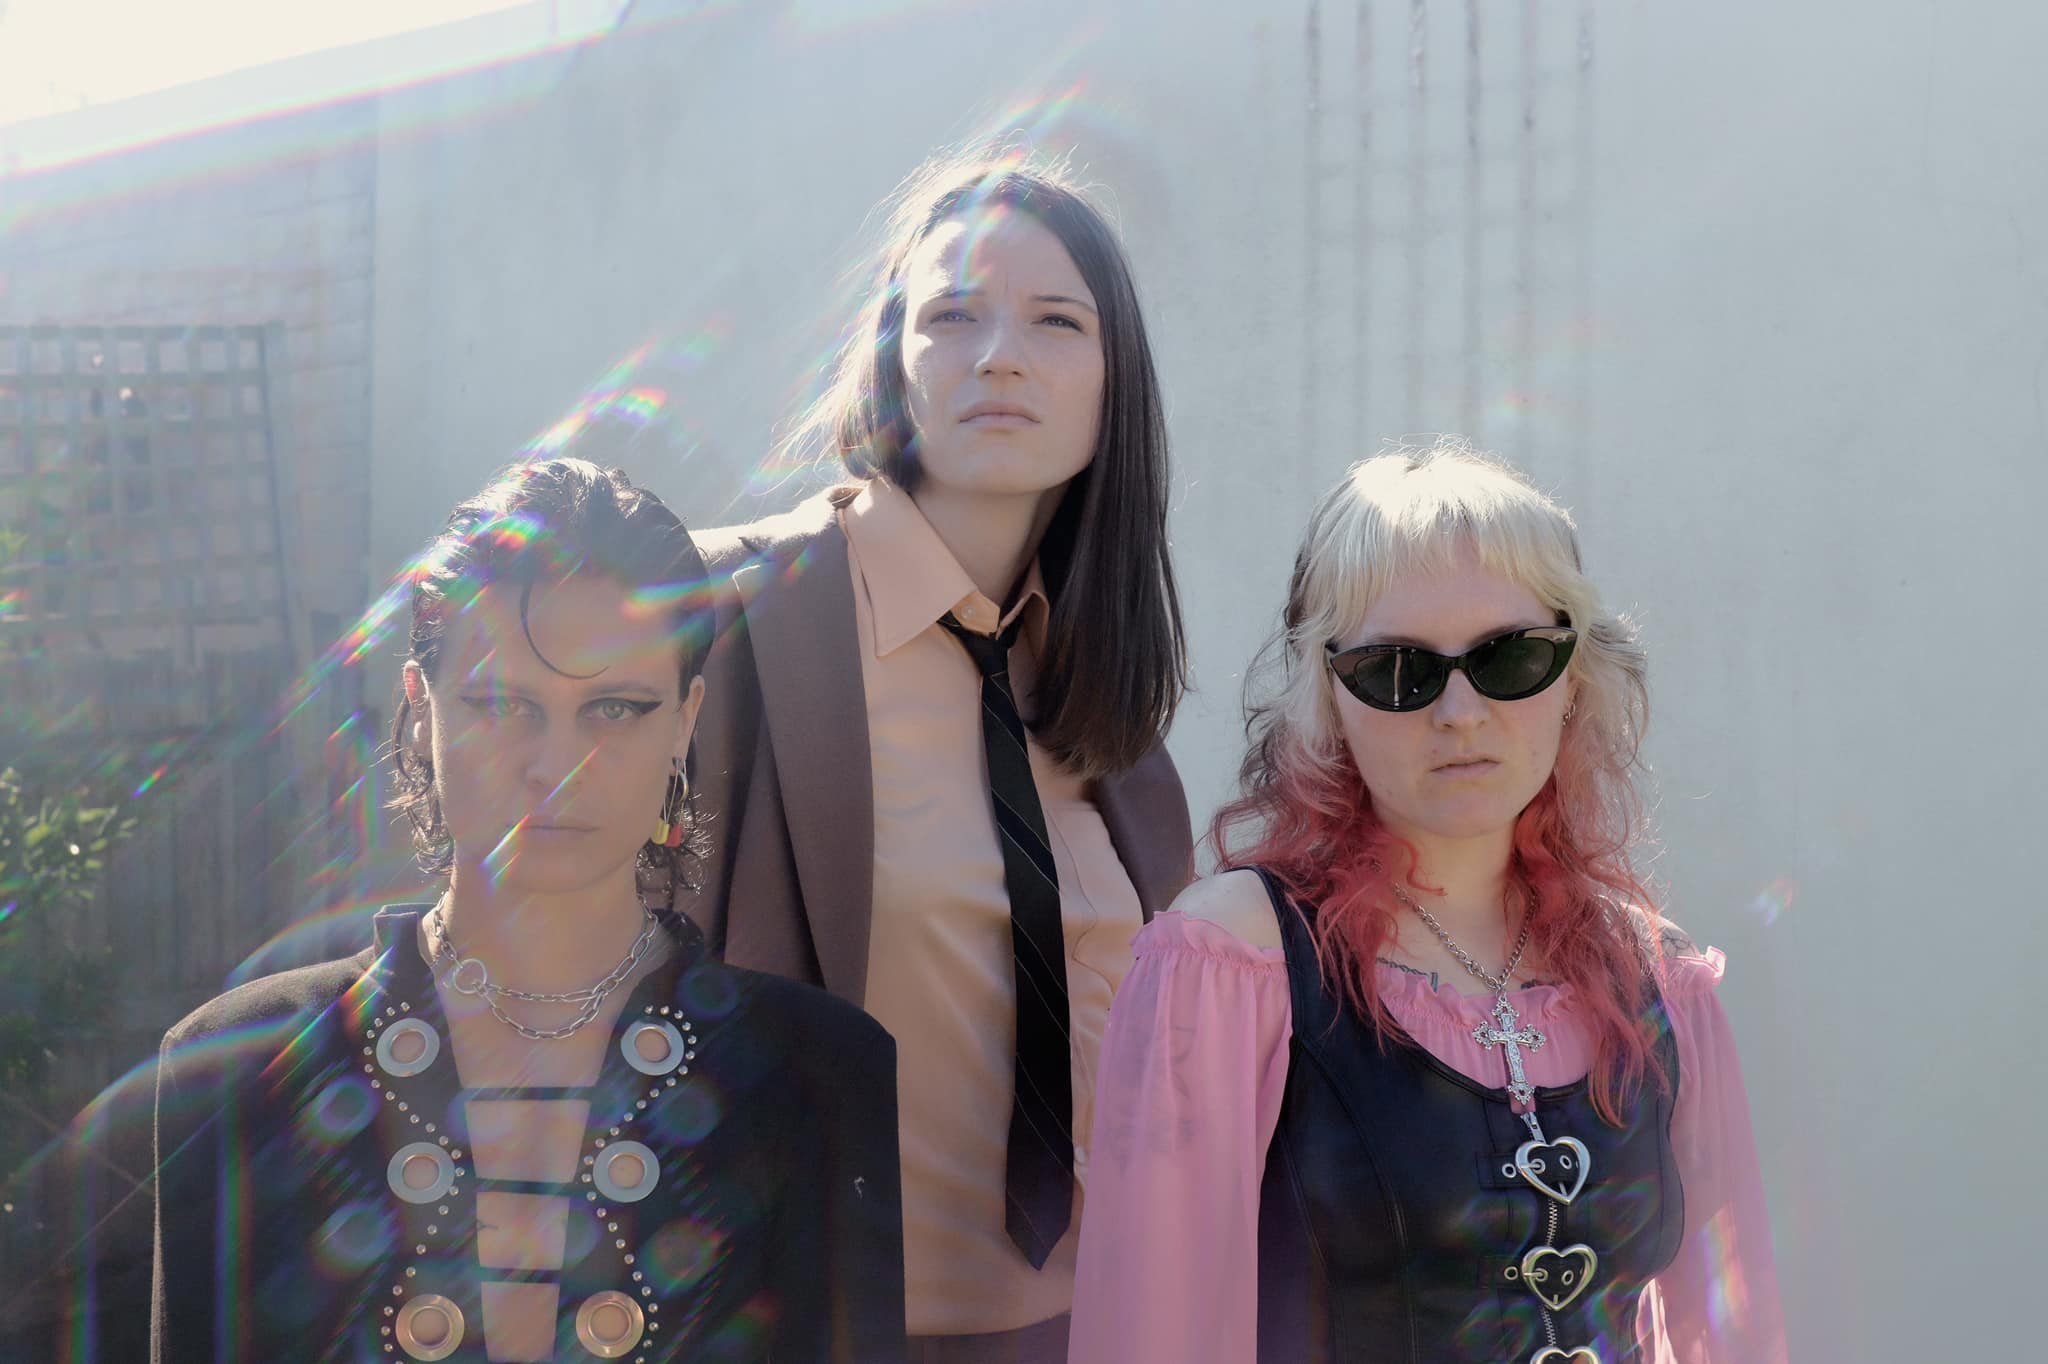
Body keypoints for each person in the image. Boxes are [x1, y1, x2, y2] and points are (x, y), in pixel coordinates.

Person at [151, 458, 906, 1363]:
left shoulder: (822, 1074)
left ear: (684, 720)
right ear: (420, 707)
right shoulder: (236, 1065)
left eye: (615, 708)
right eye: (504, 703)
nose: (558, 767)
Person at [1069, 441, 1787, 1363]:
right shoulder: (1230, 963)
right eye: (1398, 670)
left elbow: (1730, 1331)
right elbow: (1153, 1336)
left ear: (1574, 678)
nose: (1459, 713)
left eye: (1511, 657)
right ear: (1328, 697)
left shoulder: (1658, 979)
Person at [690, 150, 1191, 1362]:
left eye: (1055, 320)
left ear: (1114, 381)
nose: (999, 355)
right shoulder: (734, 616)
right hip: (819, 1325)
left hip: (1090, 1325)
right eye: (951, 315)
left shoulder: (1100, 685)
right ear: (889, 360)